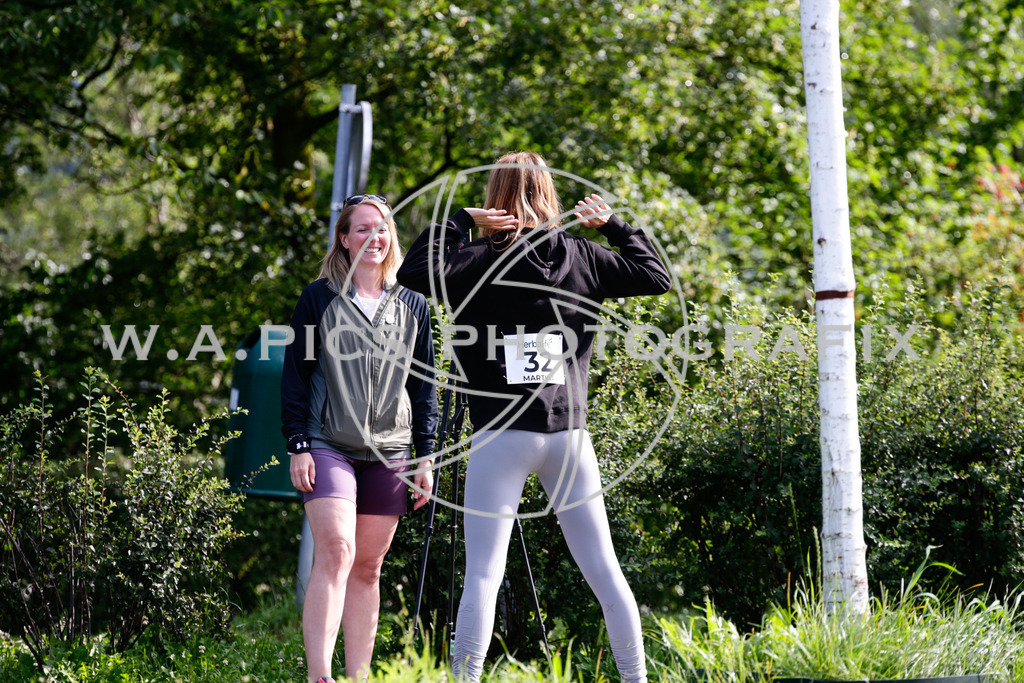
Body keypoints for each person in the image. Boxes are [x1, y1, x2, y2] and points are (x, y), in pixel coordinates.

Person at [396, 152, 670, 683]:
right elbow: (655, 276)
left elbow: (412, 273)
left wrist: (460, 221)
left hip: (500, 435)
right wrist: (613, 225)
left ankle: (466, 678)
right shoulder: (583, 256)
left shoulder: (473, 260)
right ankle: (635, 679)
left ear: (494, 199)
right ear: (550, 193)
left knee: (483, 575)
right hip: (569, 436)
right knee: (605, 573)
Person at [280, 194, 439, 683]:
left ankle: (359, 676)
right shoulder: (320, 297)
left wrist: (426, 458)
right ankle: (319, 675)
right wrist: (297, 444)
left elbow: (425, 385)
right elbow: (296, 375)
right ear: (345, 240)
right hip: (327, 442)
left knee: (368, 568)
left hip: (391, 450)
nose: (375, 236)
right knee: (337, 552)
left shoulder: (413, 304)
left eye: (383, 228)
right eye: (363, 228)